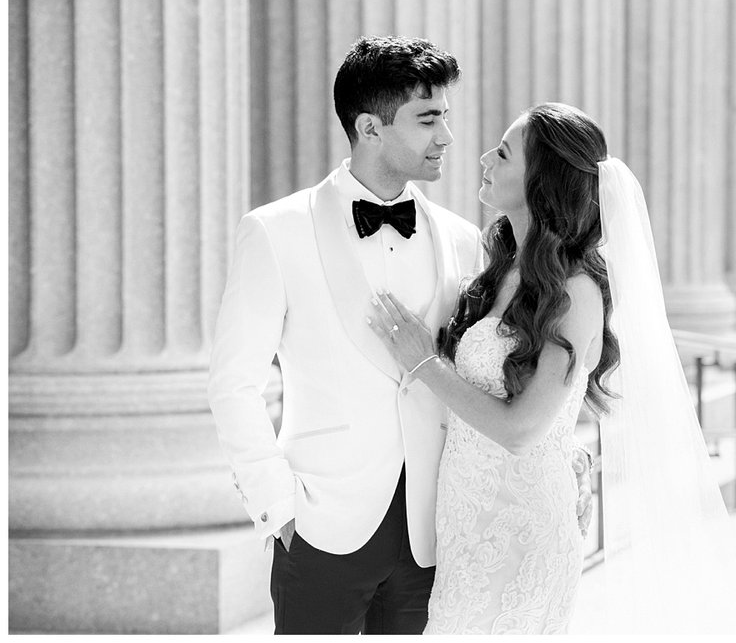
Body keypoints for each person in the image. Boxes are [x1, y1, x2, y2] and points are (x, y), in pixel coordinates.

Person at [208, 36, 591, 635]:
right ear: (370, 127)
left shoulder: (469, 241)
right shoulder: (275, 232)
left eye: (447, 117)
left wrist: (565, 453)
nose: (448, 137)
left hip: (438, 536)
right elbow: (233, 383)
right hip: (319, 526)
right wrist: (277, 508)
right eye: (428, 119)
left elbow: (522, 355)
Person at [369, 102, 730, 634]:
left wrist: (422, 360)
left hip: (523, 531)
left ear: (542, 182)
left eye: (505, 153)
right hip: (466, 518)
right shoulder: (502, 266)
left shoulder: (577, 290)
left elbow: (521, 429)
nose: (486, 157)